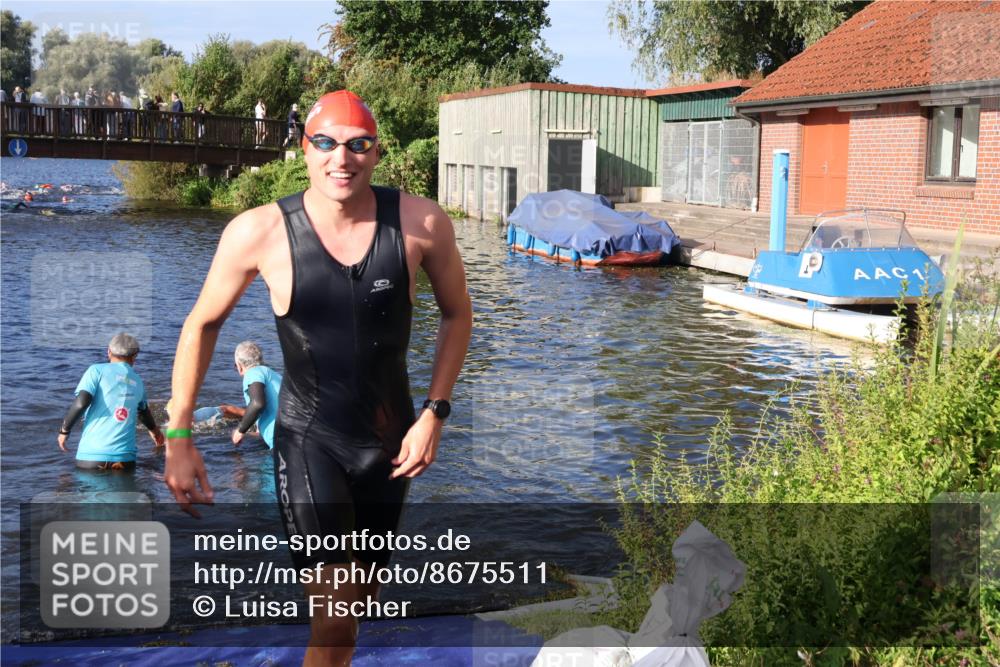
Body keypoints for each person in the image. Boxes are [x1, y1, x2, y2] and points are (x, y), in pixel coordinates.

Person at [164, 89, 472, 665]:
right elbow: (201, 324)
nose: (342, 158)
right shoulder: (258, 232)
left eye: (358, 145)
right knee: (332, 617)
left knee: (357, 607)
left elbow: (457, 314)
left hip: (392, 445)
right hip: (310, 440)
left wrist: (435, 412)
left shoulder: (421, 222)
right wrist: (179, 434)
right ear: (302, 149)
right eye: (326, 143)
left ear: (376, 153)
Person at [59, 333, 165, 471]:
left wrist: (64, 431)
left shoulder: (96, 370)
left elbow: (82, 402)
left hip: (91, 457)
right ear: (134, 356)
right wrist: (156, 432)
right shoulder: (138, 381)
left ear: (109, 351)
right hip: (125, 459)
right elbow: (143, 412)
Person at [218, 341, 282, 449]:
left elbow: (257, 404)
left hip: (281, 442)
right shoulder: (275, 375)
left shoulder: (252, 373)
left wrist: (240, 430)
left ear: (240, 366)